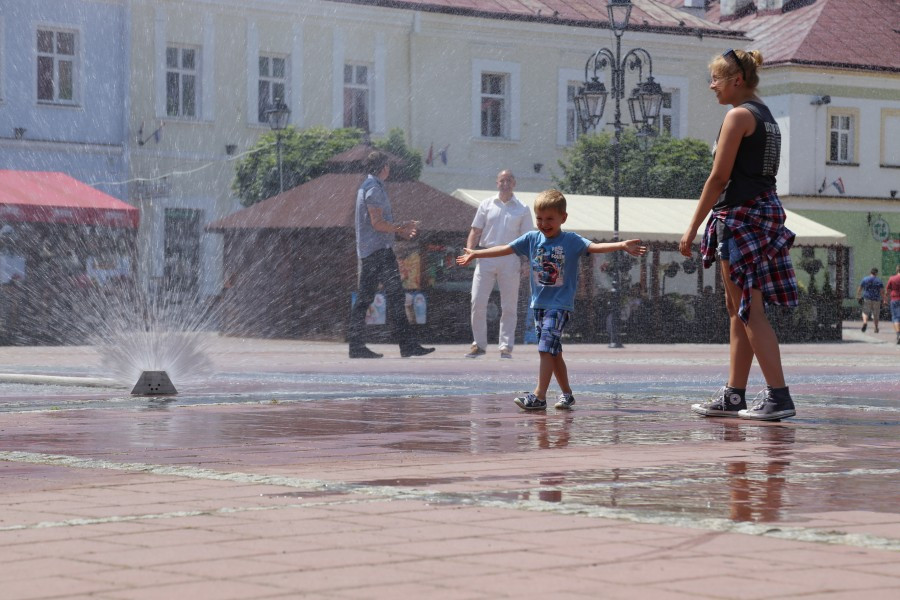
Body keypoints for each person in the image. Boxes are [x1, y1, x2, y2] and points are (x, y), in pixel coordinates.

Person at [679, 48, 799, 421]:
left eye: (716, 78)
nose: (712, 86)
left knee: (750, 312)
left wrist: (692, 227)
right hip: (762, 212)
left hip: (740, 217)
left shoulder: (738, 116)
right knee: (739, 310)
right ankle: (735, 395)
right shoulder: (767, 117)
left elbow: (718, 178)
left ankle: (779, 397)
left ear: (738, 80)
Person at [457, 189, 646, 410]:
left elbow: (594, 247)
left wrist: (621, 245)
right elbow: (505, 249)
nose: (544, 223)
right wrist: (477, 253)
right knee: (554, 352)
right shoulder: (531, 238)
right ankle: (567, 394)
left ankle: (539, 396)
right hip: (539, 305)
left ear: (563, 218)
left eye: (550, 219)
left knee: (545, 348)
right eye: (539, 218)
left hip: (559, 305)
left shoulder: (571, 240)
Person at [348, 150, 434, 359]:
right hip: (377, 252)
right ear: (384, 168)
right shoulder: (373, 189)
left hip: (375, 252)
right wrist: (401, 229)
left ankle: (401, 345)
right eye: (388, 166)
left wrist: (401, 227)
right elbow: (377, 223)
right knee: (378, 298)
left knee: (383, 297)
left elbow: (377, 222)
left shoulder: (370, 187)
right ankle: (364, 345)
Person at [465, 170, 533, 359]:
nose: (505, 184)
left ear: (514, 184)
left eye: (509, 180)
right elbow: (475, 231)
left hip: (510, 257)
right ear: (497, 183)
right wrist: (469, 251)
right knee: (477, 301)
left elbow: (527, 239)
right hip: (486, 255)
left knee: (509, 305)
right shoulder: (486, 204)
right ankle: (478, 345)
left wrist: (526, 262)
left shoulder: (522, 208)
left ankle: (505, 346)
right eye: (502, 180)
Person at [856, 267, 884, 334]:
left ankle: (865, 322)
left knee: (865, 312)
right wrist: (884, 299)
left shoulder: (865, 279)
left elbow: (860, 288)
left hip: (867, 298)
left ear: (870, 272)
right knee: (876, 314)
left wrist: (858, 296)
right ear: (876, 273)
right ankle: (876, 328)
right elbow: (882, 291)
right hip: (876, 299)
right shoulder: (879, 281)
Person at [886, 264, 900, 344]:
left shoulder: (892, 278)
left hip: (894, 299)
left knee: (896, 318)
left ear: (897, 270)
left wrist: (885, 299)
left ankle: (898, 334)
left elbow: (888, 289)